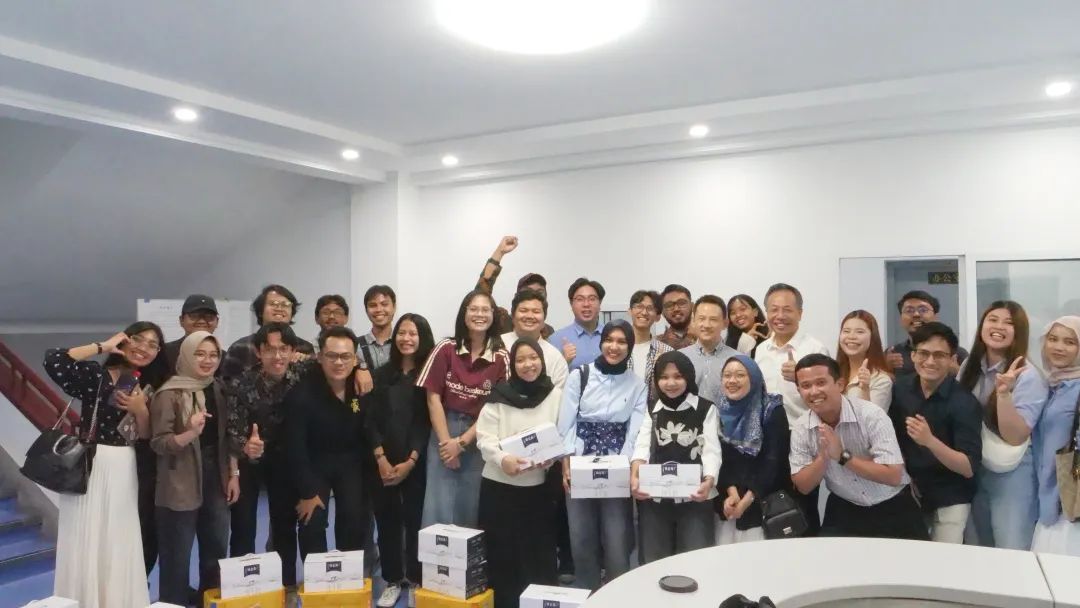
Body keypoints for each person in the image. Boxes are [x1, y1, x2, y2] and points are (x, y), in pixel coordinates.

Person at [45, 323, 167, 608]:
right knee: (83, 534)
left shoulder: (152, 385)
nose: (143, 348)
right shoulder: (95, 375)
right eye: (138, 340)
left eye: (152, 345)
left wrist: (140, 410)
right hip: (90, 462)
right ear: (124, 340)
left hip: (124, 463)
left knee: (118, 536)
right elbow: (54, 360)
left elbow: (145, 435)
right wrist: (102, 346)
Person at [789, 354, 928, 540]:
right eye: (806, 386)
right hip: (844, 507)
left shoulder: (871, 415)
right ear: (799, 390)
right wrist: (823, 458)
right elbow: (803, 486)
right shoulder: (801, 428)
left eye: (821, 383)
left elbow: (894, 475)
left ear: (840, 384)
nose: (814, 392)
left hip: (893, 504)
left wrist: (842, 456)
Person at [557, 320, 647, 591]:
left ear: (629, 346)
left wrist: (626, 465)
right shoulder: (580, 376)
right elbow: (566, 423)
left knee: (617, 536)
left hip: (617, 464)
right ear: (601, 342)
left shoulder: (637, 384)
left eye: (621, 342)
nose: (614, 347)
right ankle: (588, 593)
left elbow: (635, 430)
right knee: (581, 535)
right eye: (609, 340)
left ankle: (617, 594)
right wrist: (566, 461)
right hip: (580, 462)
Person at [151, 331, 236, 606]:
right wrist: (189, 433)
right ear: (186, 355)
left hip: (217, 475)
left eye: (213, 355)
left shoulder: (218, 389)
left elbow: (227, 437)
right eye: (199, 354)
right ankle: (173, 602)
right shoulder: (169, 393)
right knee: (177, 554)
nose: (207, 360)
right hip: (179, 478)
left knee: (216, 548)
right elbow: (158, 443)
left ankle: (209, 600)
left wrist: (233, 474)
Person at [477, 339, 563, 608]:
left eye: (533, 358)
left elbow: (561, 436)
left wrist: (548, 460)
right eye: (521, 360)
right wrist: (502, 459)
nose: (528, 365)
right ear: (512, 365)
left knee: (538, 556)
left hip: (538, 490)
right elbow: (484, 438)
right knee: (503, 555)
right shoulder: (499, 396)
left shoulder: (555, 396)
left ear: (542, 360)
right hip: (499, 488)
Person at [225, 322, 310, 589]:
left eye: (283, 349)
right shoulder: (241, 383)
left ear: (293, 351)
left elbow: (336, 358)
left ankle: (286, 586)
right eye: (270, 349)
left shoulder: (305, 373)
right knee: (243, 526)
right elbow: (232, 429)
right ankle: (242, 589)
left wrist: (361, 367)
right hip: (250, 462)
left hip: (287, 461)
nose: (277, 356)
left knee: (284, 526)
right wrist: (245, 446)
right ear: (258, 352)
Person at [416, 290, 510, 527]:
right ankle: (435, 551)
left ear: (493, 315)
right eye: (474, 309)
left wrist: (461, 443)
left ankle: (468, 552)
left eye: (485, 310)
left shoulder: (501, 357)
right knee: (437, 504)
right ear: (464, 313)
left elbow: (496, 409)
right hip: (443, 430)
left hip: (479, 434)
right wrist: (447, 444)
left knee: (470, 505)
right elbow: (433, 398)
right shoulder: (445, 348)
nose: (480, 314)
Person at [958, 301, 1046, 550]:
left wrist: (1004, 394)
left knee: (1011, 548)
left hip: (1012, 473)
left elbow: (1016, 435)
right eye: (992, 319)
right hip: (976, 469)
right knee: (978, 547)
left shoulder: (1027, 375)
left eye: (1008, 323)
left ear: (1019, 332)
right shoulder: (969, 367)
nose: (998, 327)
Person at [888, 322, 982, 543]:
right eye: (923, 353)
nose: (930, 361)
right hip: (910, 492)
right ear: (913, 355)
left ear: (952, 359)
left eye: (939, 355)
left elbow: (968, 467)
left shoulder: (964, 402)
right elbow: (892, 440)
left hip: (951, 497)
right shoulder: (900, 389)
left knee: (944, 560)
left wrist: (929, 441)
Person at [366, 314, 434, 608]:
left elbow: (424, 422)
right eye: (402, 333)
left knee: (416, 520)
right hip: (382, 462)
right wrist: (380, 457)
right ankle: (393, 580)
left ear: (423, 338)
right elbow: (368, 419)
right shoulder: (380, 374)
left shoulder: (428, 376)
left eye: (413, 333)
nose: (407, 339)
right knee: (387, 521)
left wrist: (412, 460)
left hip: (415, 462)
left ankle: (417, 578)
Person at [286, 327, 370, 558]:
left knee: (354, 519)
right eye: (332, 356)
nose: (339, 362)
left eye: (345, 356)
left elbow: (369, 428)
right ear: (320, 357)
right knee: (311, 518)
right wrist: (307, 492)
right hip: (314, 463)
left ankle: (348, 576)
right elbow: (295, 448)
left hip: (350, 463)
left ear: (355, 360)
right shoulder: (302, 394)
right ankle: (317, 577)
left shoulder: (361, 388)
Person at [630, 351, 720, 563]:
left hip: (695, 497)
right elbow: (642, 445)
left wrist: (708, 481)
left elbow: (711, 450)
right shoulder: (651, 408)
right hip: (655, 499)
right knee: (654, 561)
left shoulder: (706, 408)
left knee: (695, 560)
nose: (671, 383)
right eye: (664, 377)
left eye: (678, 376)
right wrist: (635, 476)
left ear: (688, 377)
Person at [715, 355, 789, 544]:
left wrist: (747, 500)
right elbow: (721, 459)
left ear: (754, 378)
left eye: (740, 375)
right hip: (730, 503)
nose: (732, 381)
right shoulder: (719, 410)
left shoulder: (772, 410)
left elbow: (773, 461)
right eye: (727, 375)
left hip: (764, 503)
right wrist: (732, 494)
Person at [1030, 316, 1080, 555]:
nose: (1059, 347)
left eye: (1070, 342)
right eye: (1053, 339)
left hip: (1070, 501)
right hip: (1045, 496)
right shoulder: (1048, 384)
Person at [754, 283, 830, 426]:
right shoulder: (761, 349)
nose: (780, 316)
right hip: (767, 431)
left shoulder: (815, 349)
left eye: (787, 310)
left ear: (800, 313)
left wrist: (800, 378)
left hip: (804, 429)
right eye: (774, 310)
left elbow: (827, 398)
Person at [221, 284, 315, 382]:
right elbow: (227, 385)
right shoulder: (239, 347)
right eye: (273, 303)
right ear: (260, 311)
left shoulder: (305, 347)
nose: (279, 308)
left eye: (285, 305)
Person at [476, 235, 554, 339]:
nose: (534, 296)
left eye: (540, 292)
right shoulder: (502, 321)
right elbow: (480, 297)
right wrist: (499, 252)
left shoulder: (549, 332)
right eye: (528, 291)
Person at [885, 290, 968, 377]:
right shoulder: (893, 353)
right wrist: (886, 369)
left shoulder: (957, 353)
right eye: (909, 311)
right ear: (901, 318)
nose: (916, 314)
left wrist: (957, 371)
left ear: (935, 316)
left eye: (923, 310)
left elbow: (971, 382)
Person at [501, 289, 569, 389]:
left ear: (544, 319)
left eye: (536, 311)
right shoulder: (497, 344)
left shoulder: (555, 357)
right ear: (513, 316)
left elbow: (559, 395)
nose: (530, 316)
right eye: (523, 311)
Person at [680, 295, 740, 398]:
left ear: (725, 323)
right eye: (701, 319)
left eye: (713, 319)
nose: (707, 325)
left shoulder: (738, 360)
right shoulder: (680, 357)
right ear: (693, 321)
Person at [836, 310, 894, 411]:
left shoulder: (881, 380)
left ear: (873, 338)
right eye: (846, 331)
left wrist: (865, 389)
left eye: (860, 332)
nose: (851, 336)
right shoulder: (834, 373)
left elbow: (872, 419)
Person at [626, 289, 674, 403]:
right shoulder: (617, 349)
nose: (644, 312)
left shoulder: (667, 352)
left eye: (650, 308)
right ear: (630, 311)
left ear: (658, 316)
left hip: (655, 412)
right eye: (639, 306)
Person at [551, 278, 606, 369]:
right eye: (580, 299)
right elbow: (549, 375)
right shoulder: (555, 339)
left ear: (600, 303)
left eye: (592, 299)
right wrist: (564, 361)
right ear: (571, 304)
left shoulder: (612, 336)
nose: (586, 304)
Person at [165, 294, 220, 369]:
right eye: (194, 316)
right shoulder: (164, 353)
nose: (202, 321)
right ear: (181, 320)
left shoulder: (224, 358)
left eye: (209, 317)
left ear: (217, 322)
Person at [658, 284, 695, 350]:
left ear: (692, 306)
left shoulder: (707, 336)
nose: (676, 309)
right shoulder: (657, 344)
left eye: (681, 303)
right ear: (663, 312)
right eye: (669, 305)